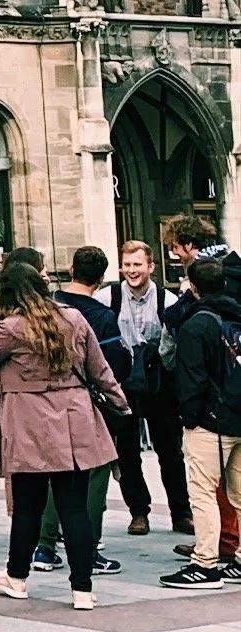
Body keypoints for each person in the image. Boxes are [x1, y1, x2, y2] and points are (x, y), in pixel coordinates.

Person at [0, 255, 126, 609]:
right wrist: (121, 406)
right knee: (74, 508)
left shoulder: (10, 328)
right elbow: (100, 370)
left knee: (28, 508)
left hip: (29, 427)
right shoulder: (73, 317)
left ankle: (17, 577)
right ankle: (82, 590)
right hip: (74, 423)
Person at [45, 249, 128, 577]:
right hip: (89, 403)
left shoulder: (47, 307)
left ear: (70, 269)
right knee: (95, 473)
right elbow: (115, 364)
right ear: (101, 278)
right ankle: (89, 548)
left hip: (47, 401)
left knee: (53, 470)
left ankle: (44, 544)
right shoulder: (102, 316)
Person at [167, 255, 241, 589]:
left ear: (193, 287)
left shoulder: (197, 324)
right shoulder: (237, 317)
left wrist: (191, 416)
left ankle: (205, 563)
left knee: (203, 492)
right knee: (240, 495)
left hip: (212, 423)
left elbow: (191, 380)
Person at [113, 240, 185, 539]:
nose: (132, 271)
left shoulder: (167, 301)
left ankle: (181, 512)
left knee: (170, 449)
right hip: (125, 381)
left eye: (137, 265)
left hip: (158, 383)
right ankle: (138, 511)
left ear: (151, 267)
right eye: (127, 265)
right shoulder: (110, 297)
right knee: (127, 450)